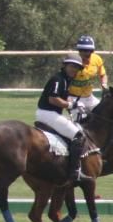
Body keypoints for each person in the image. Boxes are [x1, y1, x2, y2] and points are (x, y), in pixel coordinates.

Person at [35, 56, 90, 184]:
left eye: (76, 67)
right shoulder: (58, 79)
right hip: (47, 113)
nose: (74, 69)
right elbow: (52, 99)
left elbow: (65, 99)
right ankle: (75, 172)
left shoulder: (66, 80)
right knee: (79, 136)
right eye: (71, 66)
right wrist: (71, 105)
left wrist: (75, 106)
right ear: (65, 66)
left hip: (51, 113)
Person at [69, 34, 108, 123]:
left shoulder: (96, 59)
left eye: (90, 50)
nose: (87, 53)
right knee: (81, 121)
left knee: (104, 114)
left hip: (89, 97)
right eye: (84, 50)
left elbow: (103, 75)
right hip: (74, 97)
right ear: (79, 51)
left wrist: (104, 84)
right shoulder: (74, 62)